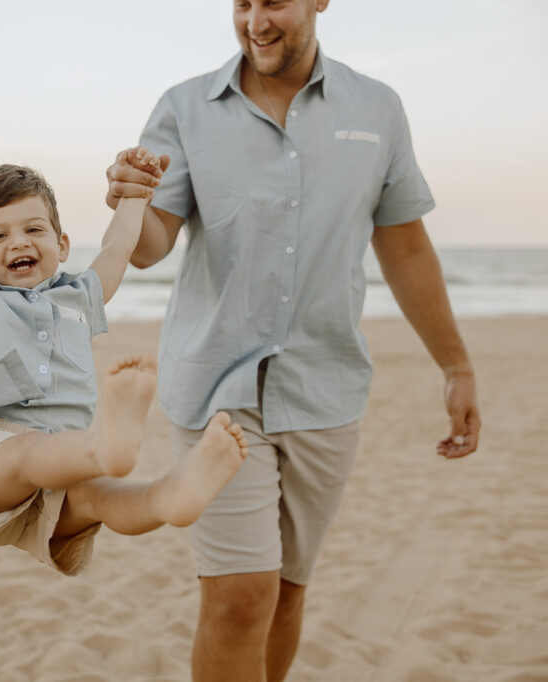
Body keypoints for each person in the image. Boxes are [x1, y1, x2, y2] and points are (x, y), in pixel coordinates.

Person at [104, 1, 481, 680]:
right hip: (217, 389)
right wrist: (133, 200)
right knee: (239, 598)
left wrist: (455, 365)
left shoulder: (378, 108)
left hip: (324, 389)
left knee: (283, 594)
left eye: (272, 1)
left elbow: (405, 246)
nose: (255, 22)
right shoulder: (185, 108)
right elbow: (151, 246)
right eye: (241, 4)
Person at [0, 113, 248, 575]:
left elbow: (118, 246)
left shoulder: (78, 299)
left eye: (33, 229)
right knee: (30, 454)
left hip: (63, 464)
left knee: (98, 497)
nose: (18, 242)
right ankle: (105, 448)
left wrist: (136, 192)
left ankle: (169, 497)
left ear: (62, 244)